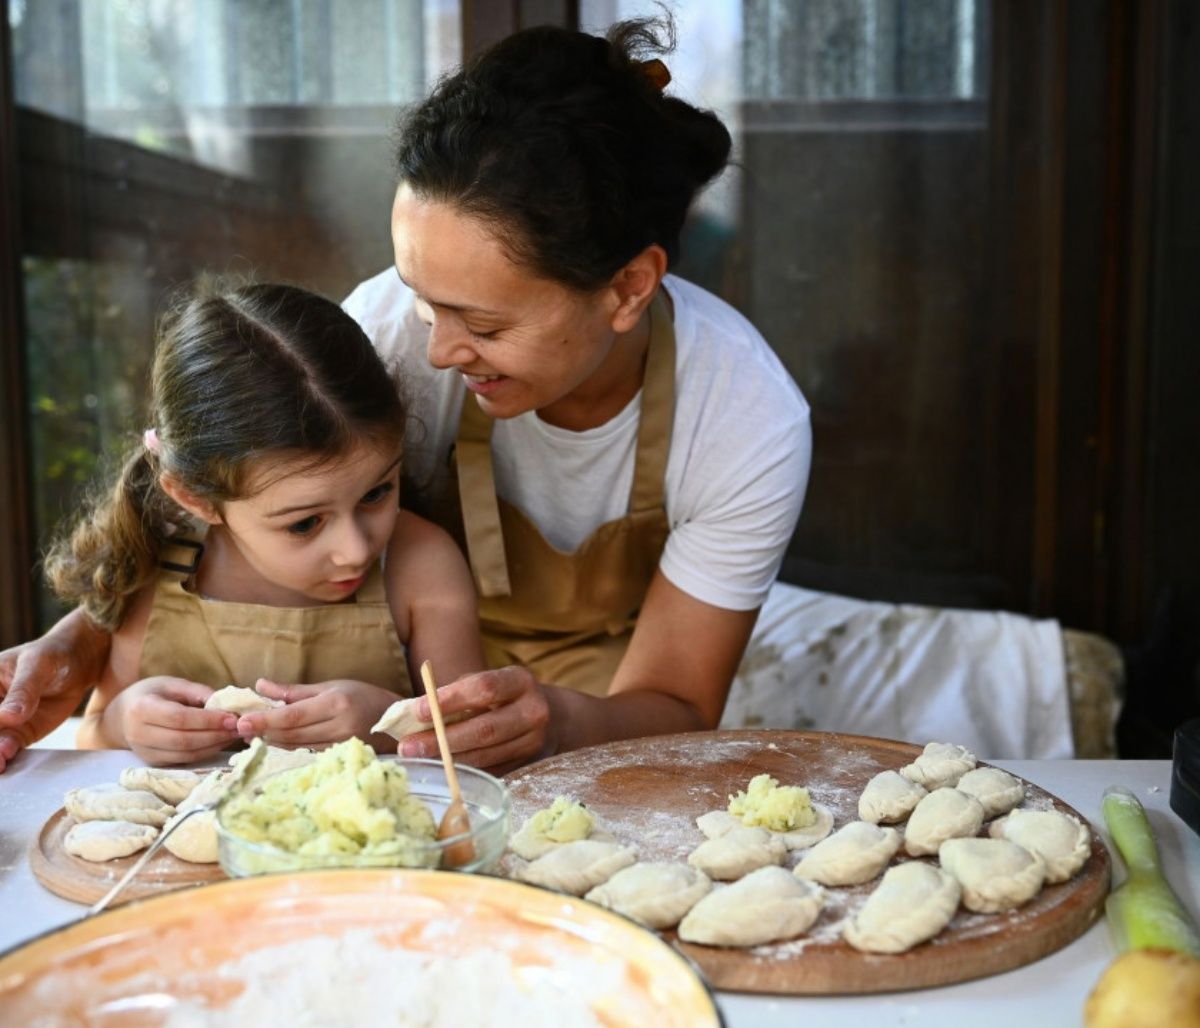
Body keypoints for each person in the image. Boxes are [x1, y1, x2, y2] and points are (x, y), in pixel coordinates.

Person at [0, 15, 810, 772]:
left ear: (629, 287)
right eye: (423, 297)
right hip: (388, 701)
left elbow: (677, 701)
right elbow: (238, 489)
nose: (434, 348)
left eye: (483, 326)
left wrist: (553, 721)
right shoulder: (387, 328)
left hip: (597, 727)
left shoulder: (743, 418)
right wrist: (76, 647)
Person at [35, 281, 483, 766]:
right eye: (305, 523)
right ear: (196, 498)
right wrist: (127, 720)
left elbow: (472, 743)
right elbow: (93, 737)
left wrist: (388, 724)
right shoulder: (156, 571)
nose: (355, 549)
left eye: (376, 493)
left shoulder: (422, 566)